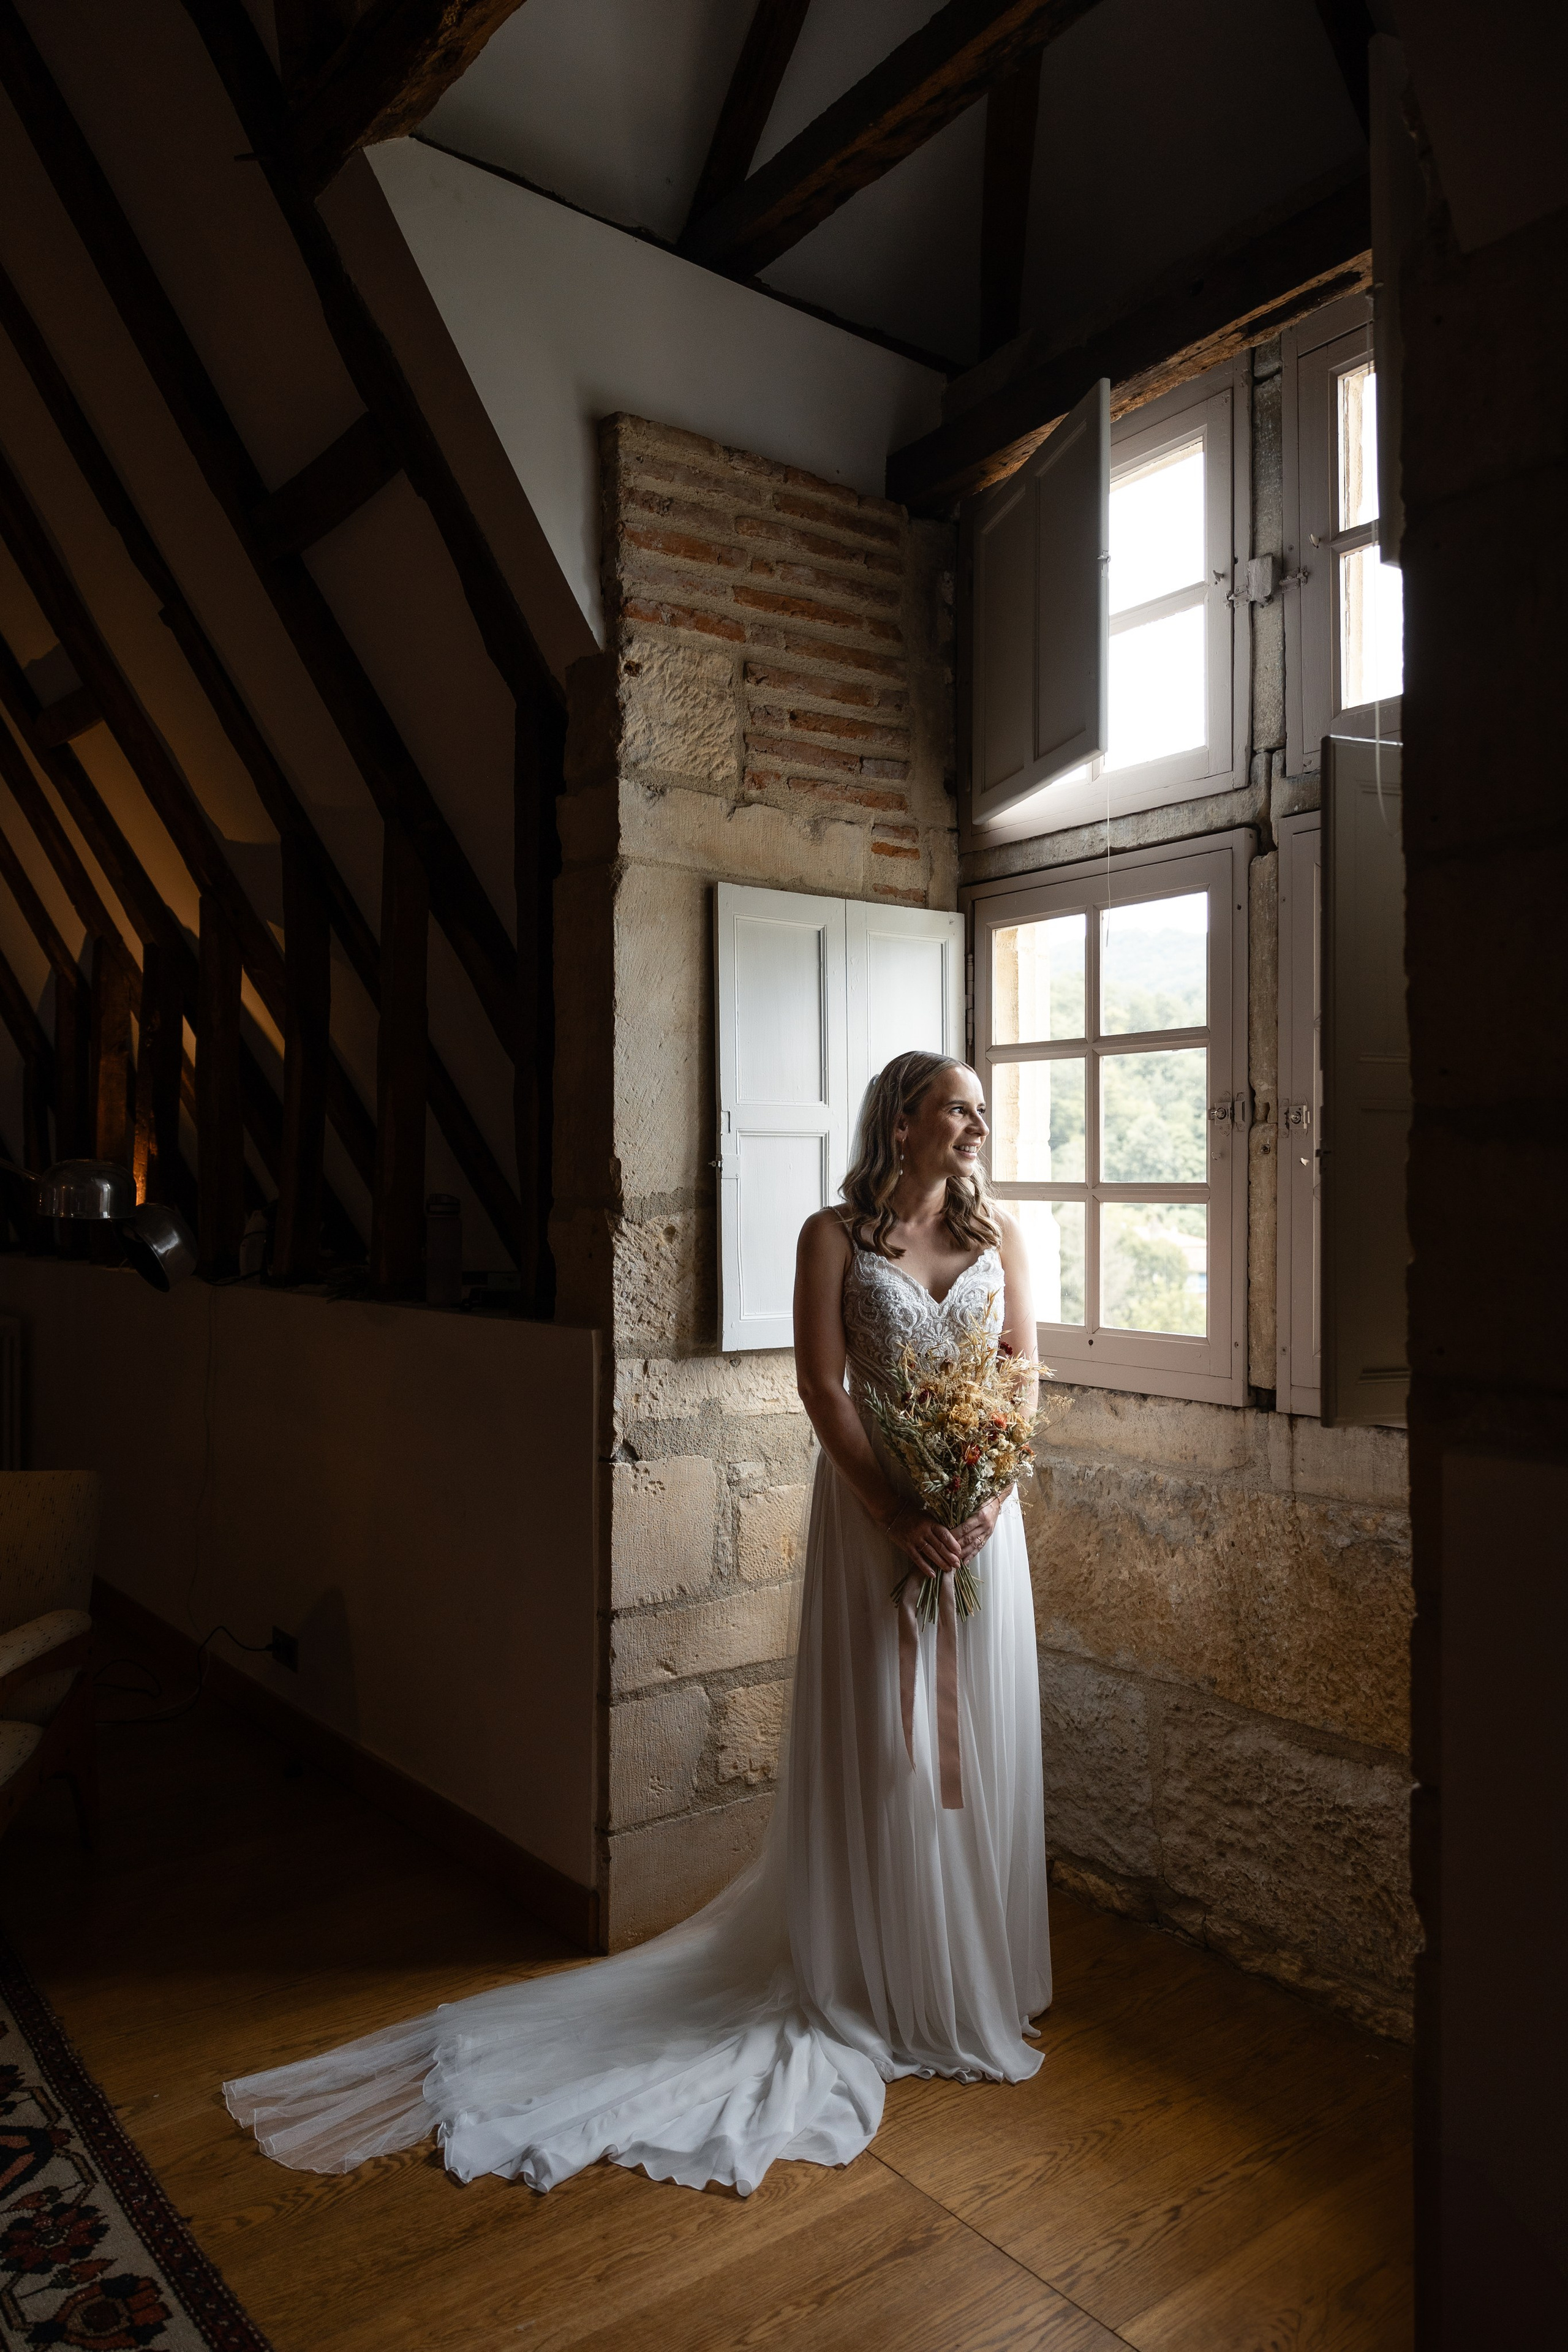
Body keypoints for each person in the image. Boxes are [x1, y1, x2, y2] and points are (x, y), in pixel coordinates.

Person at [224, 1051, 1049, 2195]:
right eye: (957, 1106)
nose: (978, 1123)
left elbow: (1024, 1379)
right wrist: (901, 1513)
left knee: (972, 1747)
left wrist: (982, 1499)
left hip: (979, 1526)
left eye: (980, 1110)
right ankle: (875, 1971)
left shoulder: (1003, 1235)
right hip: (878, 1520)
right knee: (884, 1740)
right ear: (902, 1121)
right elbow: (821, 1389)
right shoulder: (832, 1239)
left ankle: (961, 1974)